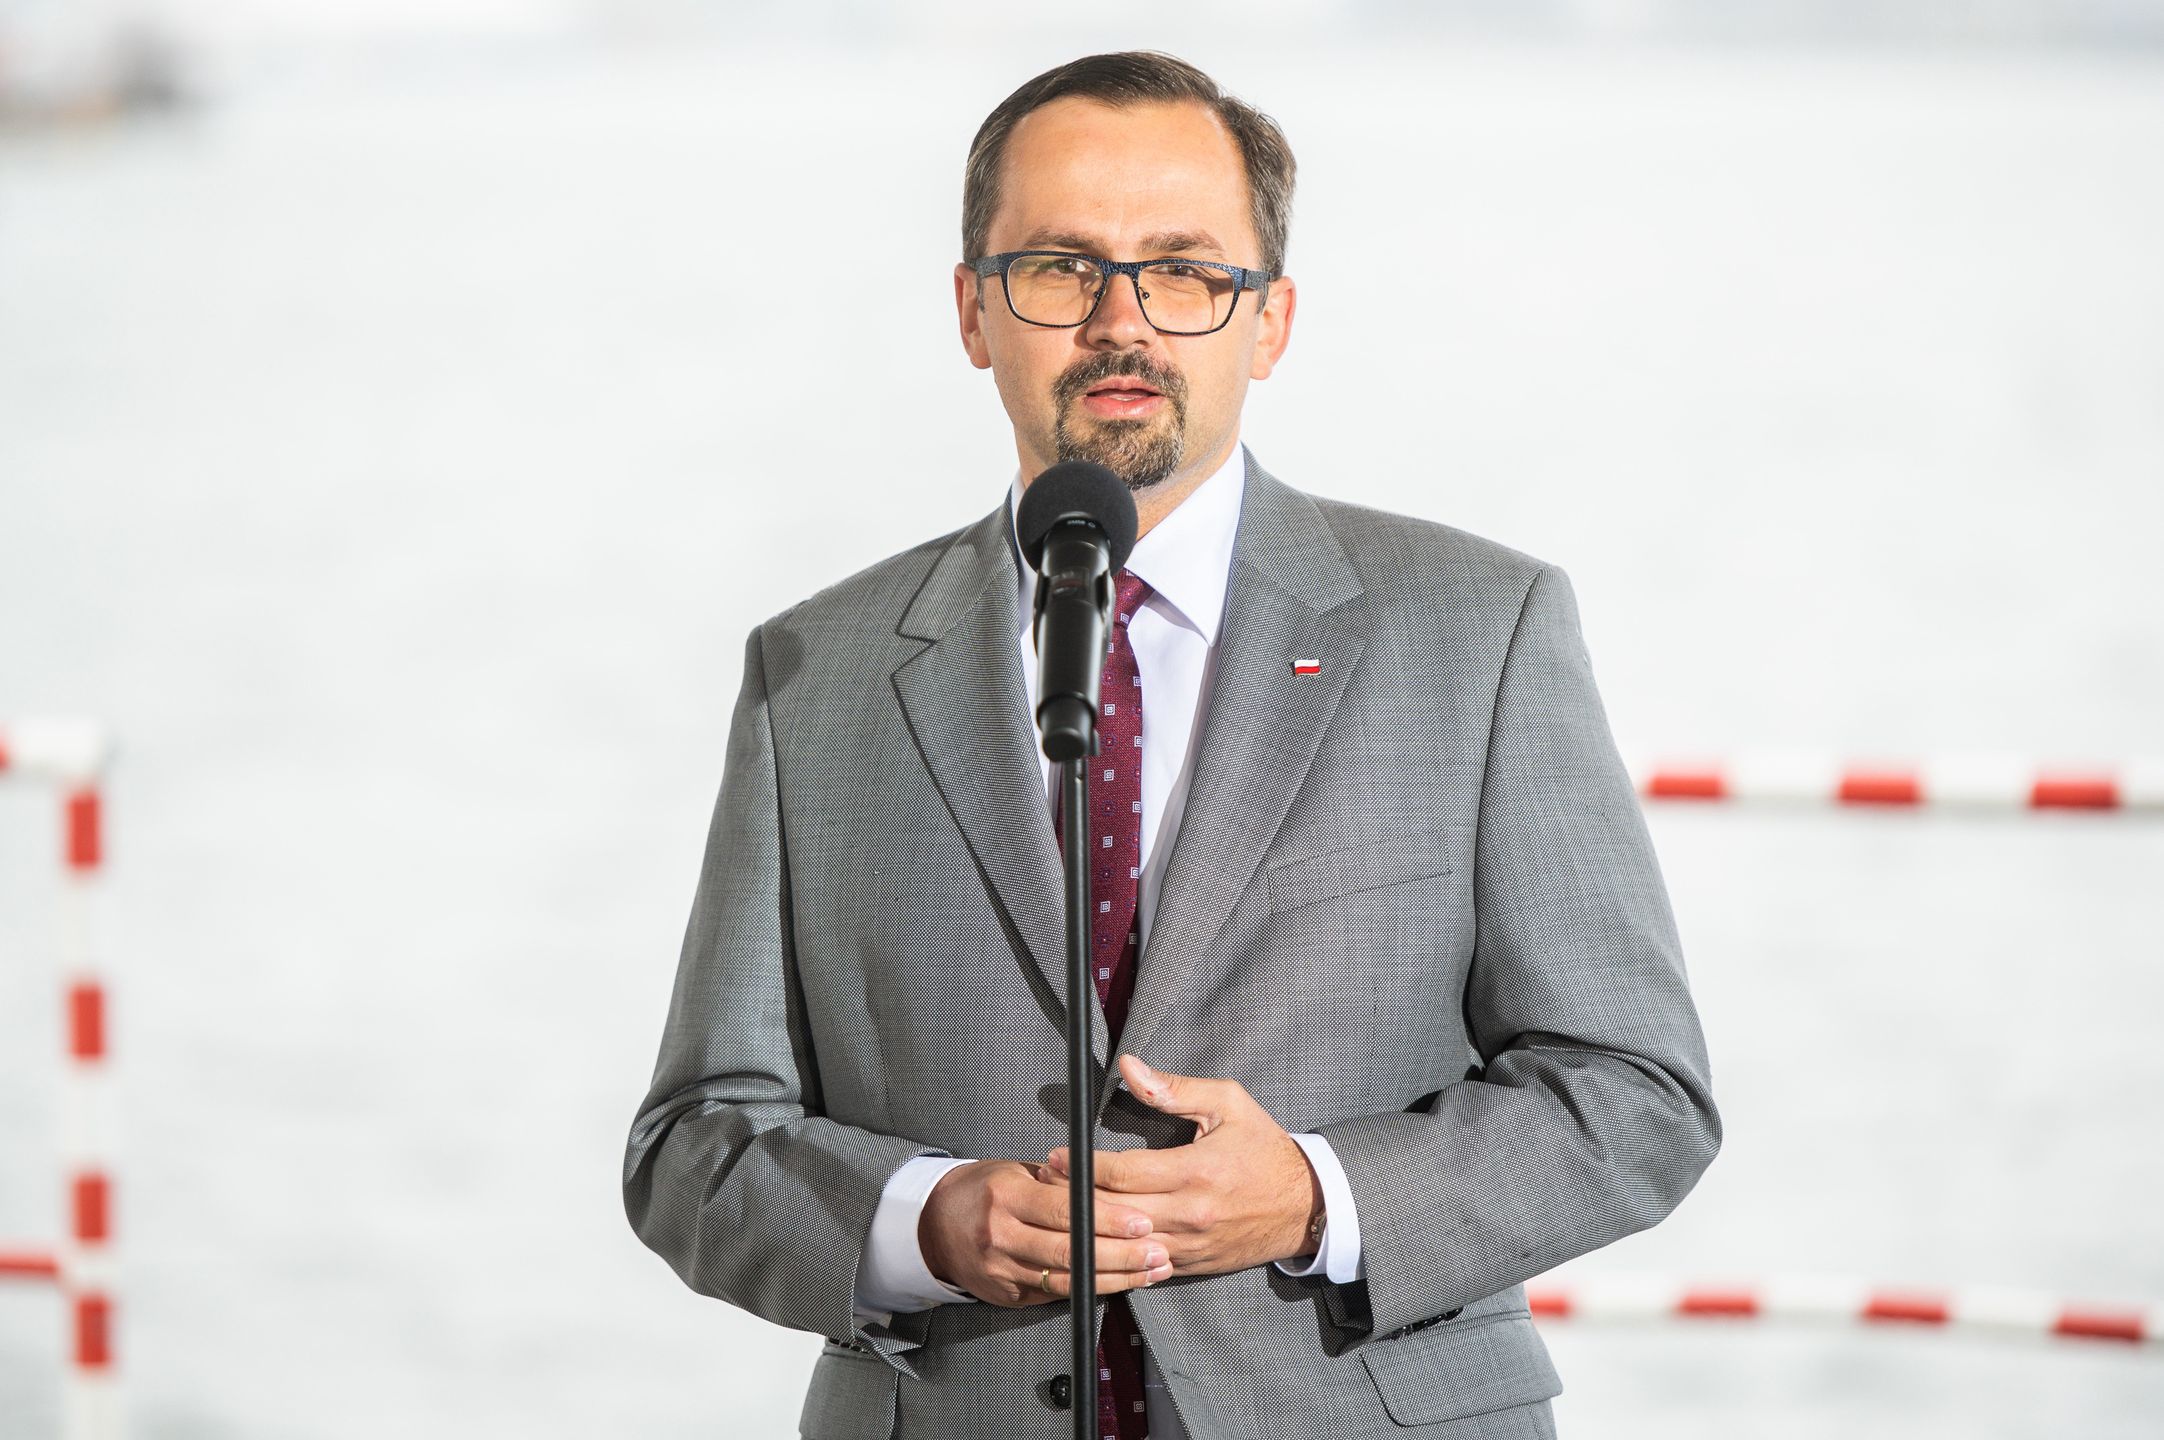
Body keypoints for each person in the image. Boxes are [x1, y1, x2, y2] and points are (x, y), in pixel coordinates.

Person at [623, 50, 1721, 1440]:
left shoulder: (1481, 631)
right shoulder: (816, 673)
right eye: (1061, 268)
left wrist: (1322, 1193)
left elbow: (1638, 1096)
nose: (1122, 322)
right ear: (974, 310)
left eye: (1185, 272)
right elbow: (697, 1148)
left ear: (1270, 322)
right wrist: (924, 1221)